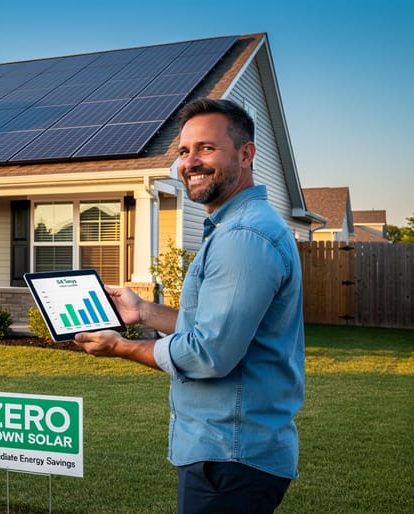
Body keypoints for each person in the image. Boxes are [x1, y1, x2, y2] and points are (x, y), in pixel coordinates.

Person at [74, 98, 304, 514]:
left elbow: (209, 353)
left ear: (246, 153)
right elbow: (212, 327)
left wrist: (120, 347)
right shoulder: (238, 228)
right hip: (230, 453)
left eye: (207, 149)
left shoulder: (243, 236)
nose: (190, 162)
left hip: (230, 456)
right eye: (183, 151)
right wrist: (143, 312)